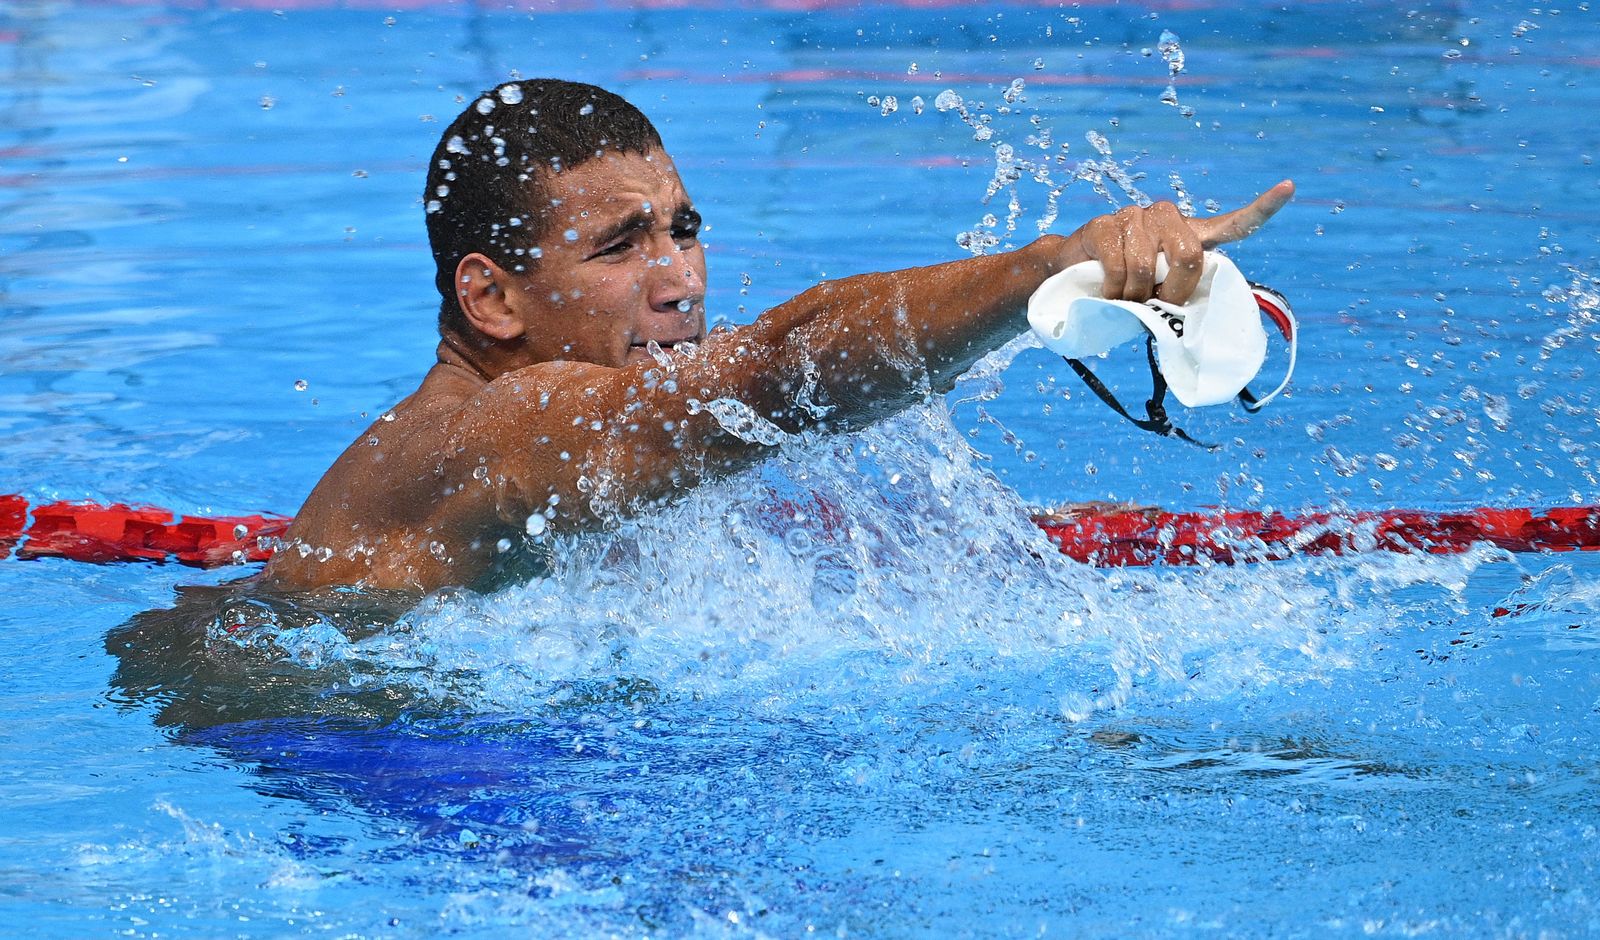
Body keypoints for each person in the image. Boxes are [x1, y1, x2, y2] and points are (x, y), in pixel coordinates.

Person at [260, 79, 1293, 594]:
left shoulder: (571, 443)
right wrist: (1046, 268)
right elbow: (771, 374)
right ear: (491, 301)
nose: (680, 280)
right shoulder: (487, 431)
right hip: (359, 760)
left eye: (684, 231)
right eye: (621, 247)